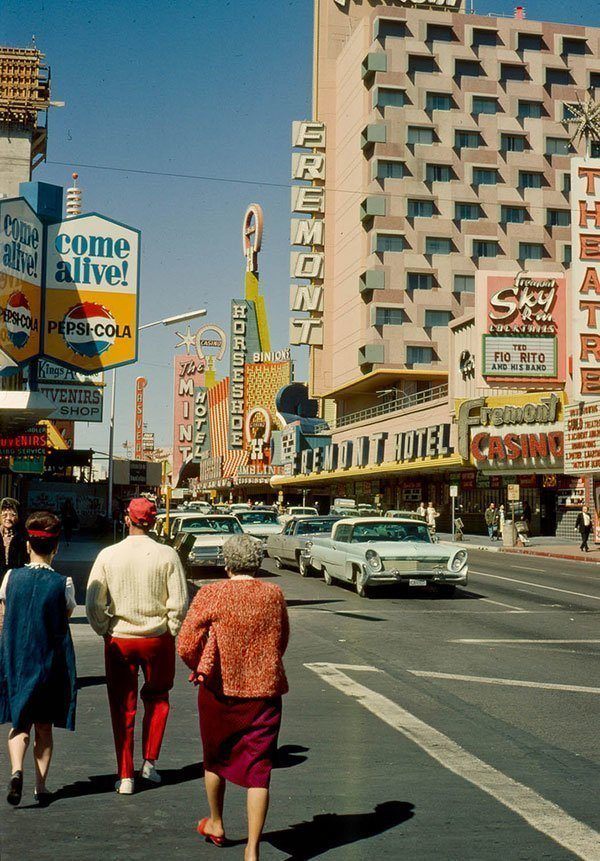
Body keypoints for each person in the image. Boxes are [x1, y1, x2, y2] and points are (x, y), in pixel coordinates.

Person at [178, 534, 289, 861]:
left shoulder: (211, 593)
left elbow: (185, 643)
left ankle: (216, 822)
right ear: (257, 562)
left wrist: (202, 666)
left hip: (220, 692)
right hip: (264, 694)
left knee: (215, 757)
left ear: (226, 563)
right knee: (260, 769)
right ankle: (252, 850)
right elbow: (281, 639)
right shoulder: (274, 594)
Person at [85, 498, 188, 795]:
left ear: (127, 519)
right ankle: (150, 762)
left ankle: (126, 774)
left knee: (122, 707)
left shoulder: (108, 555)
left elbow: (93, 601)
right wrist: (171, 629)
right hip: (157, 638)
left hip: (120, 637)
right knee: (158, 698)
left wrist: (104, 629)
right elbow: (178, 602)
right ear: (153, 522)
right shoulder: (167, 555)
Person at [0, 511, 76, 806]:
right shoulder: (64, 583)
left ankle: (16, 771)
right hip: (48, 662)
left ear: (28, 545)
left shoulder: (10, 577)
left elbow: (8, 611)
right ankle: (41, 786)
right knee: (44, 726)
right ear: (55, 548)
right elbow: (64, 618)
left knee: (19, 724)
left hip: (16, 658)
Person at [0, 498, 28, 582]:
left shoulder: (23, 537)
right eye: (4, 515)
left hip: (16, 581)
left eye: (12, 515)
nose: (8, 518)